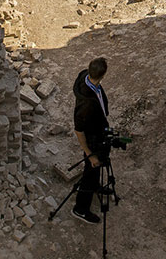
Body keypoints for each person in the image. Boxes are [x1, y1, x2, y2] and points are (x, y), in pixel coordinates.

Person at [72, 57, 109, 224]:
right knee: (91, 169)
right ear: (103, 75)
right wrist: (90, 154)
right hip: (92, 138)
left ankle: (94, 186)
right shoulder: (85, 105)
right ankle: (80, 209)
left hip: (98, 131)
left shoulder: (85, 76)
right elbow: (79, 131)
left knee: (96, 169)